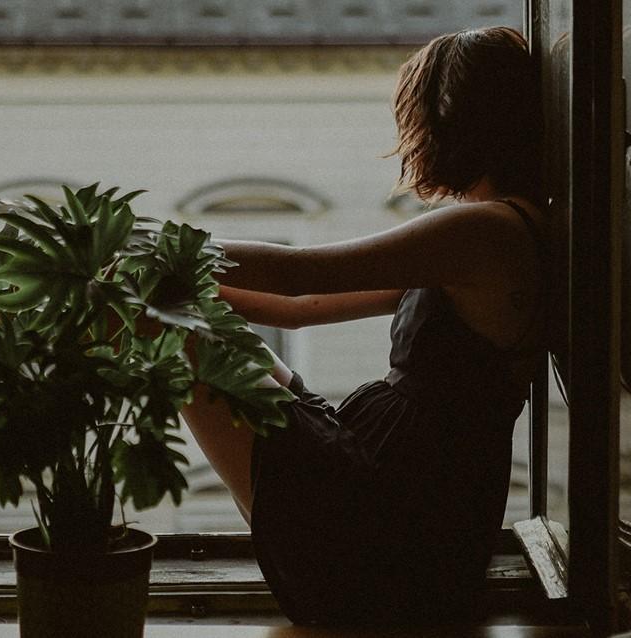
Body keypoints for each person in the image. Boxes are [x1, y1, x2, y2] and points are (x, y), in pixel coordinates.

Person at [181, 26, 558, 626]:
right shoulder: (503, 229)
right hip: (399, 496)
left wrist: (169, 253)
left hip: (388, 517)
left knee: (177, 338)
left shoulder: (483, 231)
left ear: (446, 123)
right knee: (189, 324)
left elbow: (299, 273)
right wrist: (190, 293)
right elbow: (295, 309)